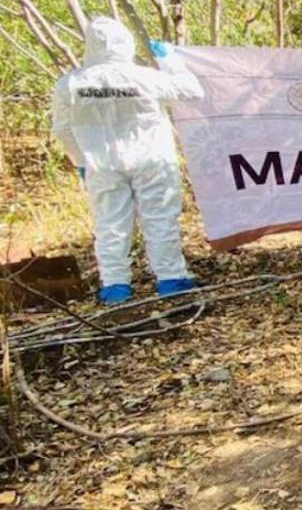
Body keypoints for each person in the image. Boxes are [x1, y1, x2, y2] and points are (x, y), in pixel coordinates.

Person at [50, 17, 204, 303]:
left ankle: (115, 286)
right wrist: (170, 60)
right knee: (159, 218)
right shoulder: (145, 77)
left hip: (102, 163)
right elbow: (192, 91)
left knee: (110, 223)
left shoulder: (70, 84)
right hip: (152, 159)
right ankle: (171, 279)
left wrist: (81, 161)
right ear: (126, 42)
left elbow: (62, 129)